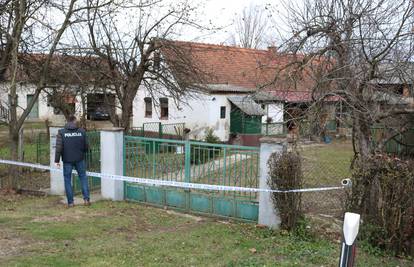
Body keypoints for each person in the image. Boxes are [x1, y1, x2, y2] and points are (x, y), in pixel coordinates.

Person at [55, 115, 90, 207]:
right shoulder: (82, 132)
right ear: (75, 121)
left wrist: (57, 160)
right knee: (83, 178)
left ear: (67, 121)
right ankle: (86, 199)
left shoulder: (61, 132)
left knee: (67, 180)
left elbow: (58, 148)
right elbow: (86, 146)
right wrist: (83, 152)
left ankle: (70, 202)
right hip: (80, 159)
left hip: (67, 160)